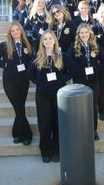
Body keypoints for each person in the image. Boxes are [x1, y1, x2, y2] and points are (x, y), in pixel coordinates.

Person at [28, 30, 72, 163]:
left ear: (54, 41)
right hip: (42, 95)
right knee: (44, 124)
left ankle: (58, 150)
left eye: (50, 38)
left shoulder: (61, 55)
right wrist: (38, 82)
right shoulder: (37, 57)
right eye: (45, 39)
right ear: (42, 42)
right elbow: (29, 73)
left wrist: (61, 80)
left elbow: (74, 70)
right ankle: (45, 151)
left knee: (58, 123)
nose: (48, 41)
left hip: (59, 95)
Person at [0, 22, 33, 145]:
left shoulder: (27, 44)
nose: (15, 32)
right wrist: (5, 65)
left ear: (21, 31)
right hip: (10, 81)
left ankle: (16, 133)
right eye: (12, 30)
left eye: (17, 30)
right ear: (10, 33)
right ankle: (27, 135)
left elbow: (31, 58)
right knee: (18, 108)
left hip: (23, 80)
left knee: (20, 108)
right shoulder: (5, 45)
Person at [68, 23, 104, 141]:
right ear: (78, 34)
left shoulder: (95, 45)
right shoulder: (74, 47)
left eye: (86, 32)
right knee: (80, 107)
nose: (84, 35)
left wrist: (97, 68)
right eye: (81, 33)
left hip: (93, 81)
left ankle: (93, 130)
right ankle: (80, 130)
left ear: (90, 33)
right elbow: (68, 61)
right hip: (79, 82)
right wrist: (77, 71)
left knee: (93, 106)